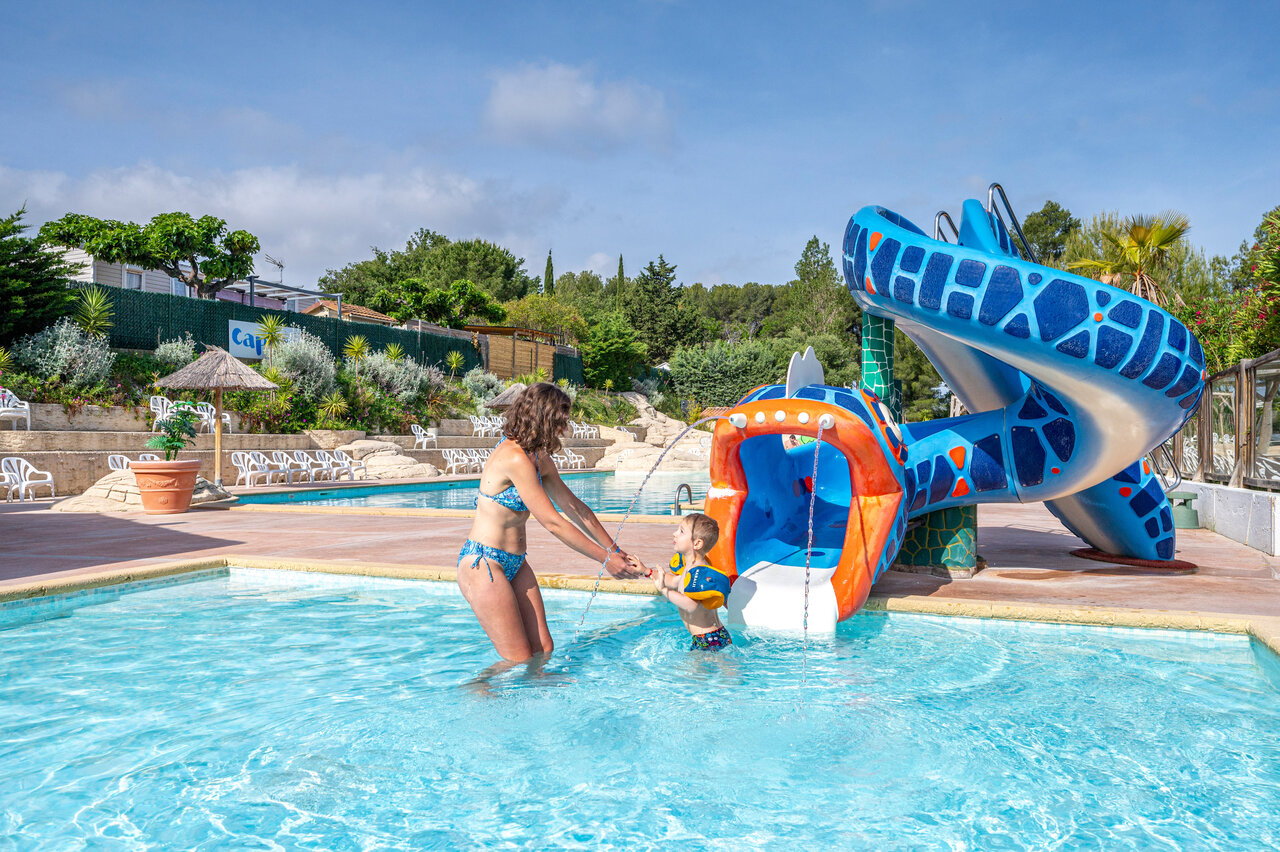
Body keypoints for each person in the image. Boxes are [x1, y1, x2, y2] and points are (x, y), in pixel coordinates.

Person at [457, 382, 642, 662]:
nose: (564, 429)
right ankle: (475, 697)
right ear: (543, 418)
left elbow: (576, 508)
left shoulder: (537, 457)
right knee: (517, 660)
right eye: (561, 421)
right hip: (483, 563)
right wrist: (605, 560)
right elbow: (553, 522)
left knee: (544, 650)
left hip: (515, 563)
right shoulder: (515, 458)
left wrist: (616, 552)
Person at [629, 513, 733, 651]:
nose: (674, 533)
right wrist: (646, 571)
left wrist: (664, 591)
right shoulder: (692, 567)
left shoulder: (699, 573)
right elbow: (673, 580)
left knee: (692, 672)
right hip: (714, 635)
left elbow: (691, 606)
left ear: (697, 543)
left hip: (707, 639)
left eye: (681, 531)